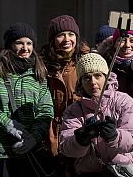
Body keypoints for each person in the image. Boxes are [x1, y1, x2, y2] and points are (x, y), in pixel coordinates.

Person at [0, 22, 54, 177]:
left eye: (29, 43)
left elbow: (46, 110)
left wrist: (33, 138)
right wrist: (7, 123)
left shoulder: (39, 76)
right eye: (19, 43)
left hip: (23, 148)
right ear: (9, 45)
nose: (25, 48)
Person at [59, 53, 133, 176]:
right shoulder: (73, 111)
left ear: (106, 77)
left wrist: (115, 136)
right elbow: (66, 148)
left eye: (98, 76)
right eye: (87, 78)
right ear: (80, 82)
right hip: (90, 171)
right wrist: (80, 139)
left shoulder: (124, 101)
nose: (93, 82)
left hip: (125, 169)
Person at [39, 14, 90, 176]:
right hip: (52, 134)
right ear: (53, 39)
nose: (67, 39)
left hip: (80, 131)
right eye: (61, 35)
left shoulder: (86, 62)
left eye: (71, 34)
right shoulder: (43, 66)